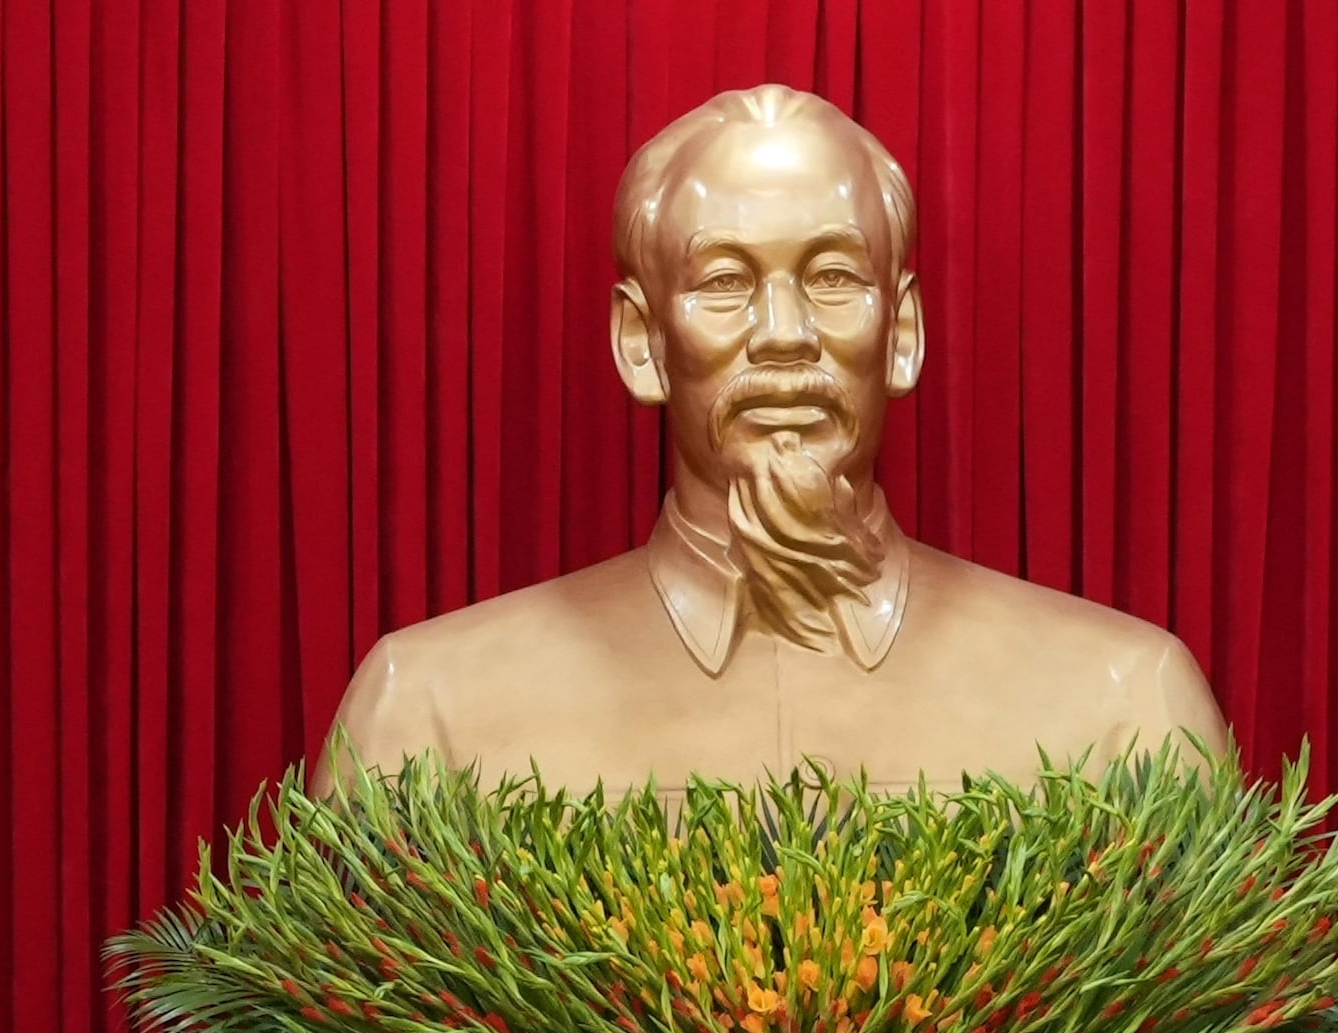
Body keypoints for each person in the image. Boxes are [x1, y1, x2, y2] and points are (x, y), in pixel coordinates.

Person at [317, 84, 1235, 795]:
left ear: (902, 332)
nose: (786, 332)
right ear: (642, 343)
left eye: (834, 276)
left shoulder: (1125, 709)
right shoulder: (428, 715)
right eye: (724, 281)